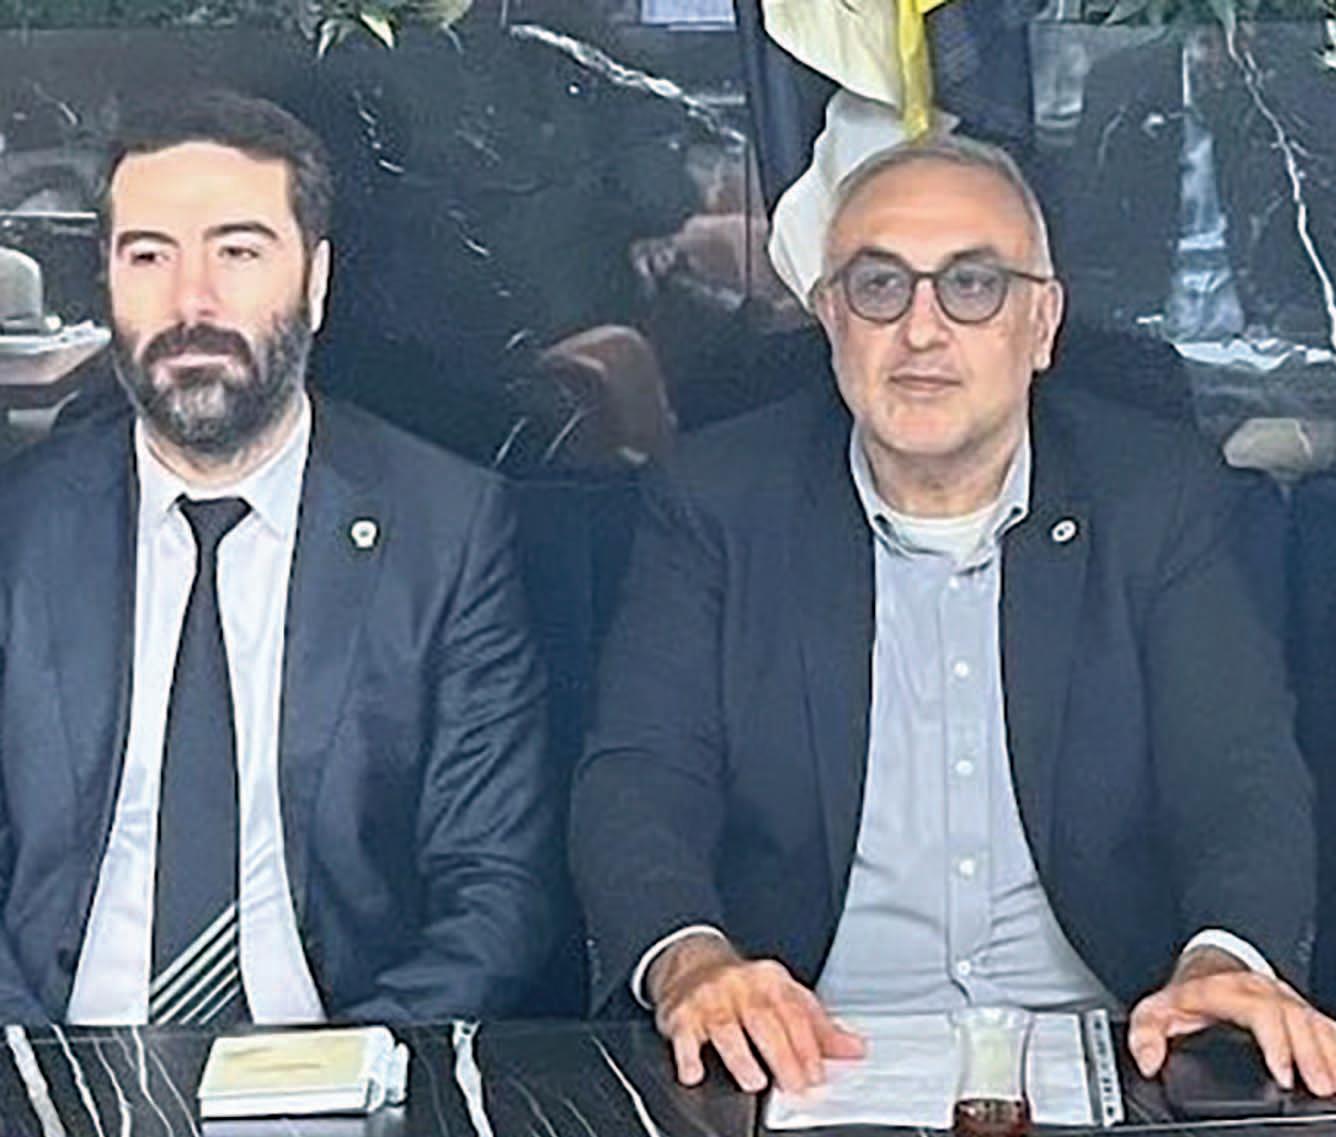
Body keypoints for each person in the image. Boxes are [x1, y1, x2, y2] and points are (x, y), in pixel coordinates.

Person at [570, 134, 1335, 1096]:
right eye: (880, 286)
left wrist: (1225, 958)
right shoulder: (719, 502)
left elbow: (1239, 778)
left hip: (1115, 1049)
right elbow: (640, 778)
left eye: (972, 285)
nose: (921, 331)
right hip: (804, 1054)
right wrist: (692, 959)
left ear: (1042, 323)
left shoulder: (1157, 495)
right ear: (830, 318)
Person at [0, 89, 556, 1025]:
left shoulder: (445, 528)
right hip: (55, 1051)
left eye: (238, 252)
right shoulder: (19, 525)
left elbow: (497, 887)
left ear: (316, 280)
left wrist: (347, 1067)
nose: (192, 301)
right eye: (148, 255)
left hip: (341, 1053)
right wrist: (34, 1065)